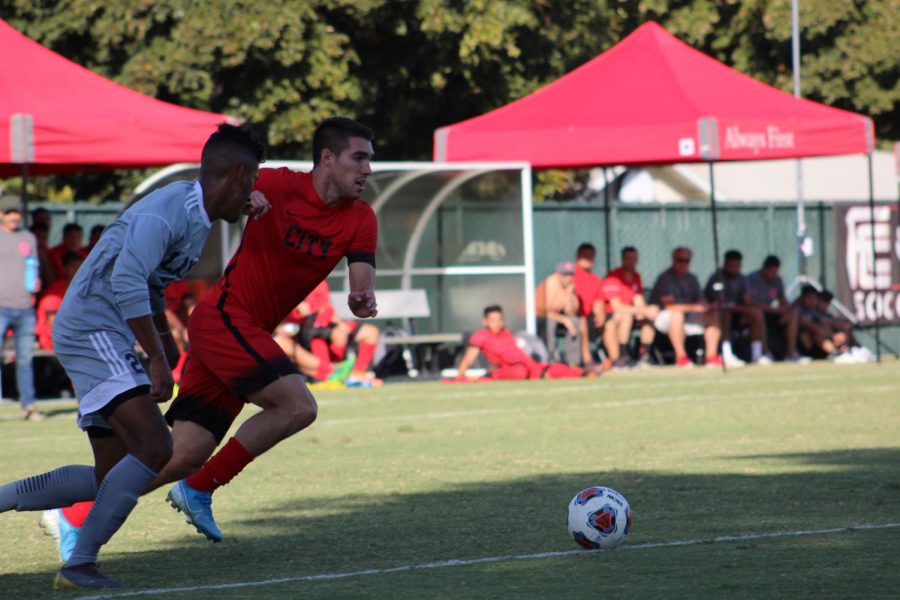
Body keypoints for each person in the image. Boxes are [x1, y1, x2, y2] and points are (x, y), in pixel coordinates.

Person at [0, 122, 268, 590]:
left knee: (110, 473)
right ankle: (79, 564)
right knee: (155, 447)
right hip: (91, 327)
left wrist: (164, 339)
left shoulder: (197, 216)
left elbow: (150, 282)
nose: (254, 192)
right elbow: (126, 281)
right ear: (239, 175)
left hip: (102, 329)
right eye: (254, 181)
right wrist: (159, 360)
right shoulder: (168, 212)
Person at [454, 305, 590, 380]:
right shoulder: (481, 336)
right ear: (485, 321)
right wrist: (461, 375)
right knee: (520, 371)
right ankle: (488, 377)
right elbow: (469, 357)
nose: (497, 323)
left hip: (528, 365)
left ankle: (584, 375)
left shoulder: (506, 332)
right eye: (493, 320)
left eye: (500, 320)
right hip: (514, 369)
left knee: (554, 368)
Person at [293, 279, 383, 387]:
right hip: (306, 327)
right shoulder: (291, 280)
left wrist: (341, 323)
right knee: (335, 336)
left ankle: (357, 375)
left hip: (326, 324)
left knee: (371, 332)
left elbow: (326, 306)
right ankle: (334, 374)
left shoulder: (320, 282)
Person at [0, 207, 43, 421]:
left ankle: (29, 406)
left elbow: (32, 265)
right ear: (0, 214)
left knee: (25, 359)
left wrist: (35, 281)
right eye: (8, 213)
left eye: (16, 212)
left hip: (25, 307)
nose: (13, 217)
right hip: (1, 306)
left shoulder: (28, 238)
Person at [648, 247, 722, 368]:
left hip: (688, 315)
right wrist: (694, 307)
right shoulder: (665, 279)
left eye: (686, 260)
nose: (683, 263)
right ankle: (681, 357)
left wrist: (707, 306)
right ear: (673, 260)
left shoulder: (692, 278)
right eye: (679, 260)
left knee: (713, 314)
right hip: (663, 316)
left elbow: (700, 301)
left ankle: (711, 356)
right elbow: (670, 307)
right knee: (677, 315)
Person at [703, 250, 768, 367]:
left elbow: (747, 301)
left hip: (738, 313)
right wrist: (731, 306)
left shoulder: (742, 279)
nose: (734, 269)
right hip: (719, 315)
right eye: (731, 265)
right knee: (726, 314)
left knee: (756, 314)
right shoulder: (716, 278)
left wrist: (744, 304)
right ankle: (727, 355)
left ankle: (757, 354)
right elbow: (718, 303)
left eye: (737, 266)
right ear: (726, 264)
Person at [601, 246, 659, 368]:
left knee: (648, 321)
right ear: (622, 259)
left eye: (634, 258)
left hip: (629, 314)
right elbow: (617, 307)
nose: (631, 262)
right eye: (628, 258)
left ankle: (644, 357)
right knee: (625, 316)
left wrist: (647, 311)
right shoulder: (613, 277)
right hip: (611, 317)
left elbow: (638, 301)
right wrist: (641, 310)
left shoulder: (636, 276)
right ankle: (623, 355)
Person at [746, 255, 806, 363]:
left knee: (793, 314)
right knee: (758, 314)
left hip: (772, 314)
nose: (773, 275)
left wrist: (788, 309)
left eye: (776, 272)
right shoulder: (751, 279)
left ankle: (791, 353)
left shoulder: (777, 280)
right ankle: (764, 353)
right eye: (772, 271)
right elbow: (750, 302)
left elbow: (782, 300)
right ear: (764, 269)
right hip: (755, 313)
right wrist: (774, 310)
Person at [535, 262, 582, 365]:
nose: (569, 278)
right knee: (551, 322)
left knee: (575, 321)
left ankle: (573, 363)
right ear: (558, 275)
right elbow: (544, 311)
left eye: (571, 275)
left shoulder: (569, 287)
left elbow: (571, 312)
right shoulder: (551, 283)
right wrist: (565, 320)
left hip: (557, 319)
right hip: (539, 319)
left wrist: (570, 294)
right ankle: (550, 360)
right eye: (565, 275)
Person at [36, 251, 84, 350]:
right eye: (73, 266)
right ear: (65, 268)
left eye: (80, 266)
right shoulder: (55, 293)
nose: (77, 270)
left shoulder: (84, 290)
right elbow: (54, 327)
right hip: (55, 345)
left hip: (76, 342)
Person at [572, 243, 606, 368]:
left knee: (610, 323)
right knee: (581, 321)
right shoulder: (571, 273)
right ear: (578, 256)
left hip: (589, 316)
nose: (589, 259)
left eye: (591, 256)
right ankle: (587, 361)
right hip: (574, 315)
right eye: (586, 256)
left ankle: (615, 360)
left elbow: (599, 301)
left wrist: (600, 314)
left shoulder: (596, 279)